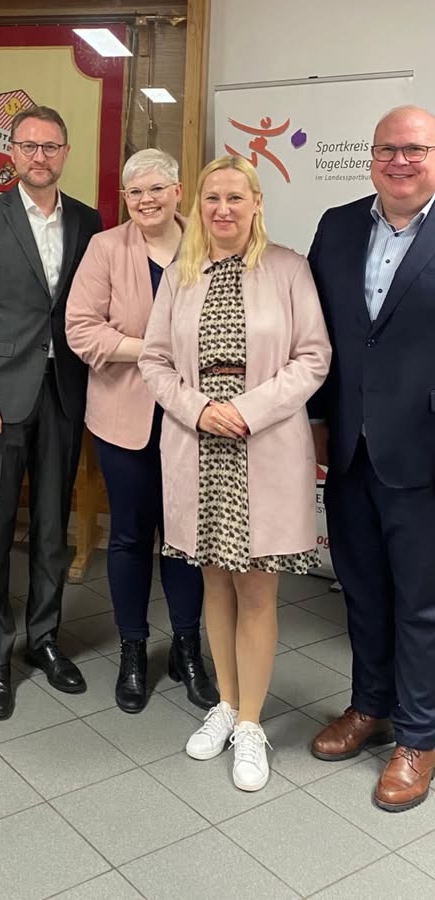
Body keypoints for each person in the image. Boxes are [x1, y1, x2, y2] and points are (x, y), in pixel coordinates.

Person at [139, 155, 330, 791]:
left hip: (262, 441)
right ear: (198, 204)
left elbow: (313, 357)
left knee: (257, 591)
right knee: (214, 584)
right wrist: (199, 410)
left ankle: (251, 724)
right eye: (212, 198)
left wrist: (246, 411)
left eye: (235, 198)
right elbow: (154, 360)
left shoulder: (289, 269)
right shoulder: (180, 273)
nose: (223, 209)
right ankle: (224, 702)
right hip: (199, 445)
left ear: (256, 204)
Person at [0, 105, 102, 720]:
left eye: (51, 146)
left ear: (65, 153)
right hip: (1, 398)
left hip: (63, 393)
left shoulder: (89, 221)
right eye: (29, 146)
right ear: (11, 154)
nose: (40, 156)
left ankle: (44, 638)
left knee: (51, 528)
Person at [308, 105, 435, 812]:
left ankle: (418, 736)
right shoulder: (337, 226)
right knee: (361, 589)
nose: (400, 161)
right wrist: (316, 420)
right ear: (370, 158)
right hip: (350, 446)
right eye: (387, 149)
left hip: (423, 449)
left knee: (421, 602)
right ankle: (371, 705)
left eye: (415, 149)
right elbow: (318, 333)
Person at [66, 148, 218, 714]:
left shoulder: (209, 243)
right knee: (129, 536)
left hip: (193, 418)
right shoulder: (106, 248)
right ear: (124, 199)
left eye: (157, 188)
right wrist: (153, 350)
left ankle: (187, 647)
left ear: (179, 191)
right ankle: (132, 647)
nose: (147, 200)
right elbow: (81, 330)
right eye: (135, 192)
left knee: (186, 537)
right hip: (122, 419)